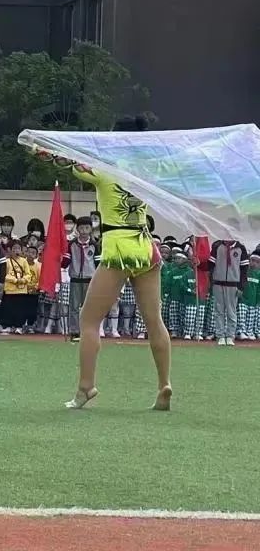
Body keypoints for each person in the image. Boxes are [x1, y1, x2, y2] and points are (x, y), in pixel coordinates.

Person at [36, 115, 173, 411]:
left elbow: (65, 161)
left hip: (118, 247)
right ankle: (164, 383)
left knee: (88, 319)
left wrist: (39, 146)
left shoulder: (104, 170)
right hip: (145, 245)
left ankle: (86, 387)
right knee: (154, 321)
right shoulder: (148, 172)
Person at [61, 216, 99, 342]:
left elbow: (98, 263)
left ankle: (88, 330)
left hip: (90, 279)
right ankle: (74, 331)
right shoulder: (72, 244)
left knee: (88, 307)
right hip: (75, 279)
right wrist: (59, 262)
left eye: (86, 228)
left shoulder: (94, 245)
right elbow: (66, 261)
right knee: (74, 307)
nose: (84, 231)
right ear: (77, 229)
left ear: (91, 229)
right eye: (81, 228)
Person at [209, 238, 250, 346]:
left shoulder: (241, 248)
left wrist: (241, 287)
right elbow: (210, 265)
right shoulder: (217, 246)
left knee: (231, 311)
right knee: (219, 311)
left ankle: (230, 335)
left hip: (233, 284)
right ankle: (220, 335)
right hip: (218, 283)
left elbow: (244, 270)